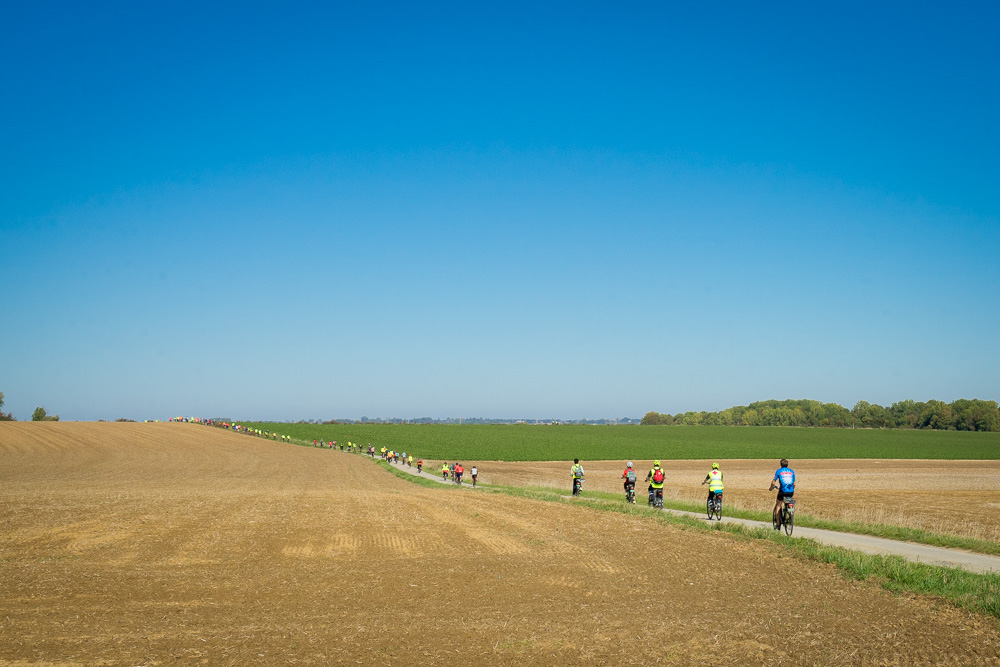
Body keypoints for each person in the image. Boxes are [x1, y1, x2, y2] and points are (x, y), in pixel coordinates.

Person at [769, 459, 795, 527]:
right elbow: (794, 484)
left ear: (781, 465)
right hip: (791, 491)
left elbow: (773, 482)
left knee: (778, 505)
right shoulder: (791, 471)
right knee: (789, 502)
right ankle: (790, 514)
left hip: (782, 491)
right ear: (787, 465)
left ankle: (778, 524)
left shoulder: (779, 471)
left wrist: (771, 488)